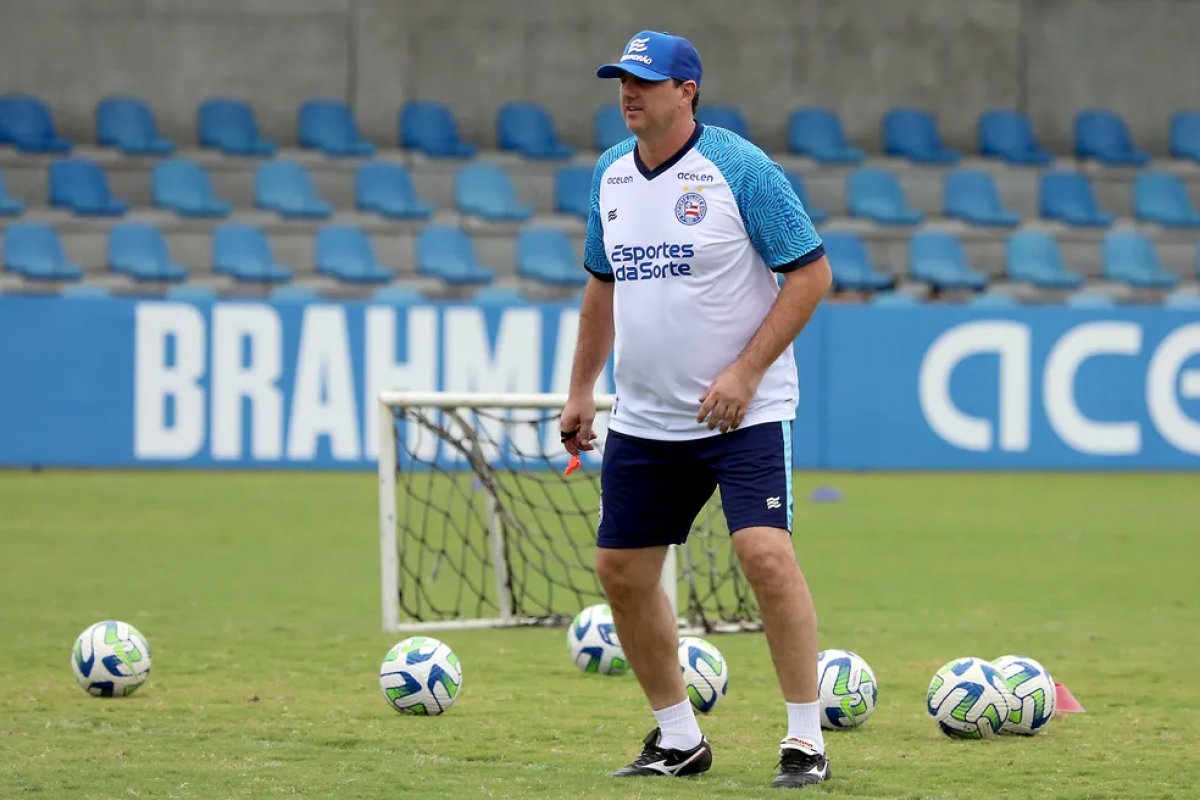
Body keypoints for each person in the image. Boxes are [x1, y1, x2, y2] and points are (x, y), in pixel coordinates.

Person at [558, 29, 835, 790]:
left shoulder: (742, 169)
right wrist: (583, 389)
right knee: (620, 571)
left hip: (741, 412)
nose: (628, 92)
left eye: (645, 81)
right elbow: (601, 283)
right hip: (646, 418)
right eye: (622, 79)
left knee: (764, 556)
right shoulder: (611, 175)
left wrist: (746, 374)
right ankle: (679, 738)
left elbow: (810, 276)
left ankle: (805, 740)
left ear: (688, 92)